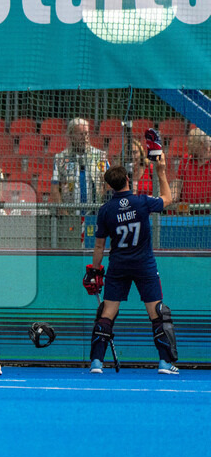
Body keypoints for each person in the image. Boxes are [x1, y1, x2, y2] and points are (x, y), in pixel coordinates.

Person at [84, 131, 178, 375]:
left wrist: (94, 271)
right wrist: (161, 172)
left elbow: (98, 246)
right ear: (128, 179)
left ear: (109, 185)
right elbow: (168, 198)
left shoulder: (105, 210)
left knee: (108, 311)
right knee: (156, 311)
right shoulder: (142, 201)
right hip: (144, 264)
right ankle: (165, 363)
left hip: (118, 265)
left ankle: (96, 362)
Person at [51, 118, 108, 206]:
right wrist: (63, 211)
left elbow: (109, 183)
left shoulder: (100, 156)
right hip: (71, 212)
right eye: (81, 134)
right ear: (71, 136)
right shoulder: (61, 158)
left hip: (95, 211)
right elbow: (55, 188)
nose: (85, 137)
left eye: (86, 133)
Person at [178, 128, 211, 209]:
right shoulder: (186, 160)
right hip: (187, 214)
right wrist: (174, 191)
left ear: (201, 144)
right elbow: (178, 181)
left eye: (190, 141)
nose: (186, 144)